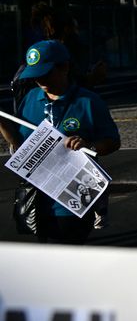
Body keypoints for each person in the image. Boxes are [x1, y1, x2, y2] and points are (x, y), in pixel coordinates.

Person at [0, 40, 120, 244]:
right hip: (37, 199)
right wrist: (2, 123)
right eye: (35, 75)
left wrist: (88, 146)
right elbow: (20, 143)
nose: (40, 80)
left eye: (46, 73)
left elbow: (112, 141)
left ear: (65, 67)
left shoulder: (88, 101)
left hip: (73, 199)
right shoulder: (30, 98)